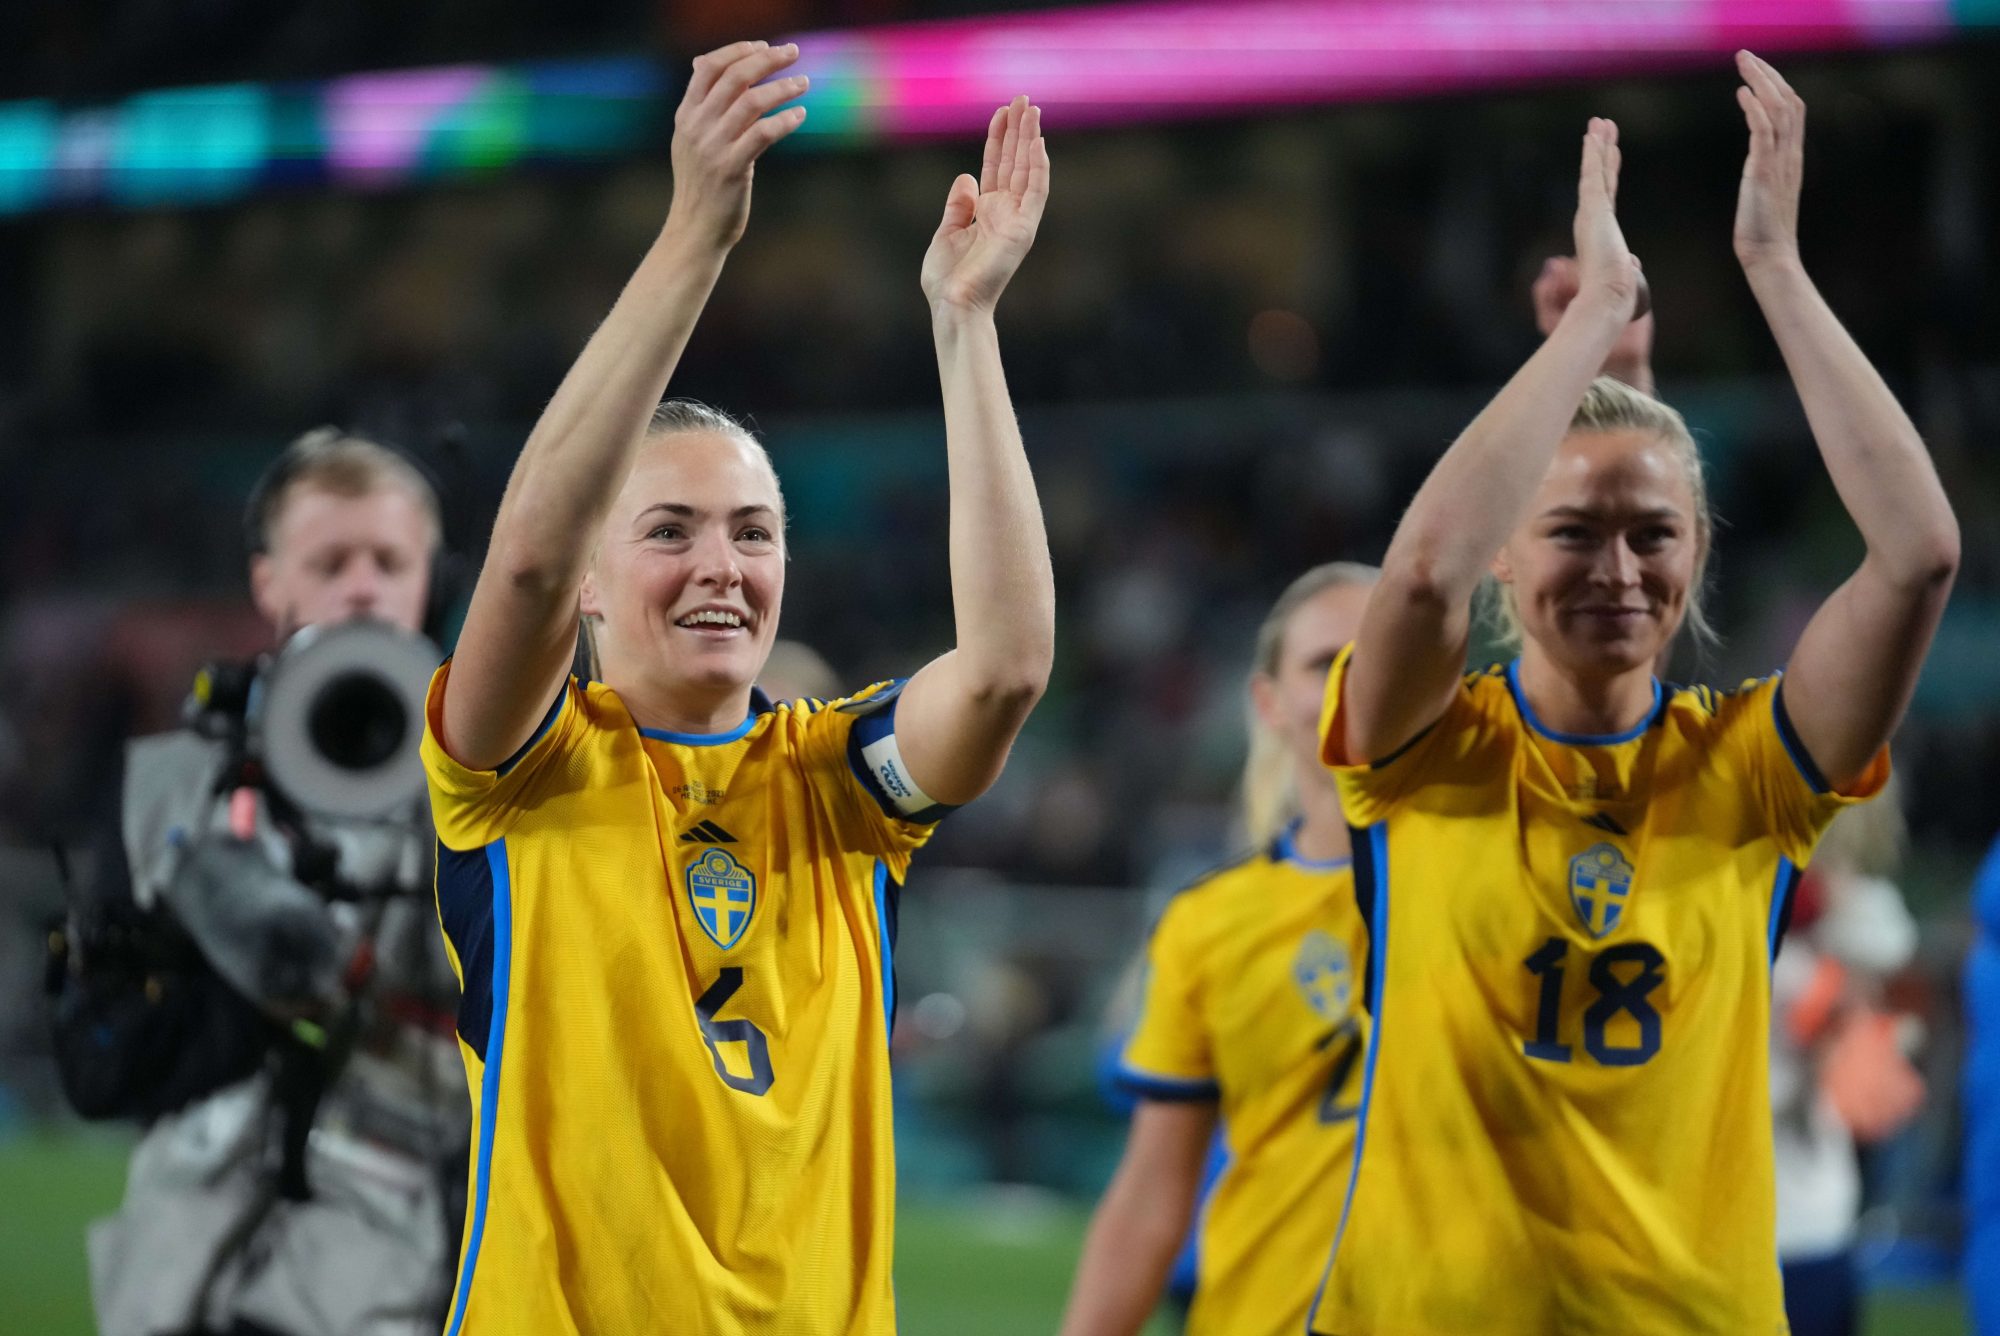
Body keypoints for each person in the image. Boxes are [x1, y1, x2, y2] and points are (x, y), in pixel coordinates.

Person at [1307, 51, 1957, 1335]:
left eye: (1653, 535)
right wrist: (1594, 322)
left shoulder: (1752, 769)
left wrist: (1771, 265)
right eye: (1569, 532)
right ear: (1509, 547)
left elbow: (1917, 551)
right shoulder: (1419, 746)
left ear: (1698, 551)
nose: (1616, 568)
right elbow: (1427, 574)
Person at [418, 41, 1053, 1335]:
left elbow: (1004, 671)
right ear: (593, 585)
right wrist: (696, 238)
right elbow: (531, 551)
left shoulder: (838, 781)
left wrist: (965, 325)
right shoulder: (514, 769)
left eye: (754, 533)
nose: (723, 566)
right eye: (669, 531)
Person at [63, 428, 466, 1336]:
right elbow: (97, 1068)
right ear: (268, 584)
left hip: (399, 1279)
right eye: (330, 561)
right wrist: (245, 984)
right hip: (183, 1277)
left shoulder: (497, 785)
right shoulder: (174, 791)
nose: (362, 585)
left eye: (389, 561)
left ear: (429, 578)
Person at [1058, 563, 1375, 1336]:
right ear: (1267, 703)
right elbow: (1151, 1195)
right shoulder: (1212, 921)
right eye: (1323, 663)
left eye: (1383, 655)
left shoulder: (1506, 875)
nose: (1356, 684)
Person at [1772, 778, 1925, 1336]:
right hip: (1719, 1224)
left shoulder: (1860, 918)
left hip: (1811, 1221)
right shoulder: (1735, 920)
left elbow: (1896, 981)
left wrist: (1871, 1028)